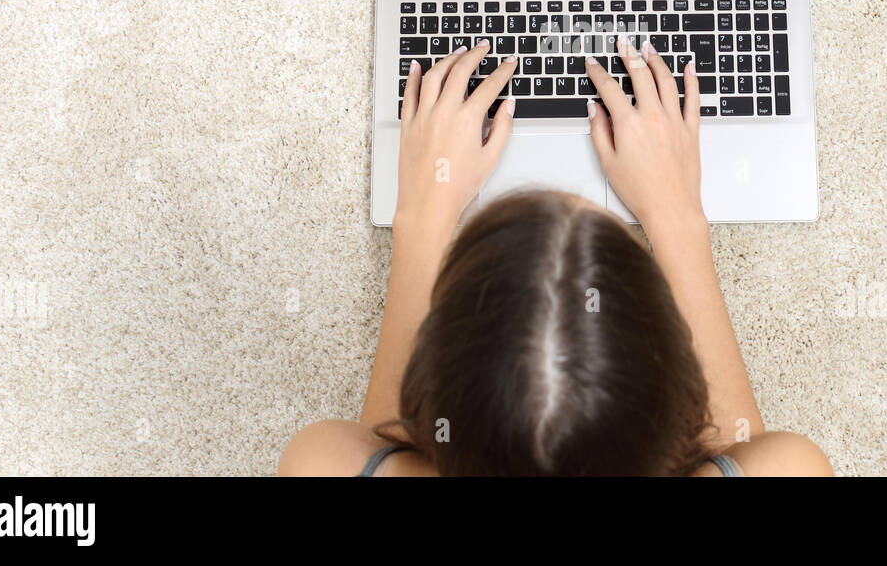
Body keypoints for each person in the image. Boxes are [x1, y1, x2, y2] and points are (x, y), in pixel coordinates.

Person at [279, 35, 833, 476]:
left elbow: (383, 446)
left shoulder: (317, 462)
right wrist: (677, 218)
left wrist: (422, 223)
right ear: (683, 394)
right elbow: (743, 450)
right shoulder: (798, 468)